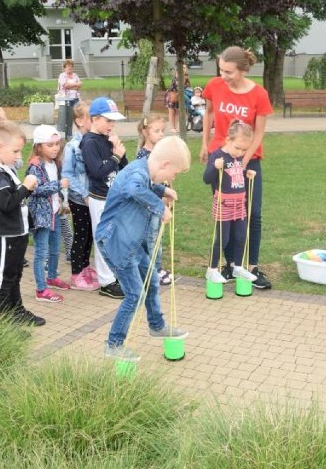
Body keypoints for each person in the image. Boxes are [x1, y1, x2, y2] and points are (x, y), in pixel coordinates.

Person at [98, 136, 190, 362]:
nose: (173, 178)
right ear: (165, 164)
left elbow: (145, 185)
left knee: (152, 281)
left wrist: (161, 190)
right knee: (135, 295)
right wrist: (160, 207)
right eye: (175, 173)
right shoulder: (137, 174)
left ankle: (157, 325)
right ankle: (114, 344)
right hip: (117, 243)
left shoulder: (145, 171)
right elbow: (133, 188)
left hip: (132, 243)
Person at [200, 46, 272, 289]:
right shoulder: (215, 86)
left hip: (248, 159)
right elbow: (208, 113)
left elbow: (259, 132)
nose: (223, 76)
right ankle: (230, 265)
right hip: (221, 158)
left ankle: (252, 266)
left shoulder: (259, 94)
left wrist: (245, 159)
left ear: (243, 70)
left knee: (253, 212)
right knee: (226, 213)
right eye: (221, 69)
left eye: (229, 71)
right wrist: (205, 145)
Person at [0, 121, 45, 326]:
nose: (18, 156)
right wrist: (25, 187)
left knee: (15, 274)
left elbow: (14, 198)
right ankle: (6, 320)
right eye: (15, 151)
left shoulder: (5, 169)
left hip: (17, 232)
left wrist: (26, 189)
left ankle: (17, 311)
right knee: (6, 277)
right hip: (6, 234)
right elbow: (7, 203)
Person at [81, 97, 128, 299]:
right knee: (103, 239)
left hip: (114, 196)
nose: (112, 125)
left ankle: (115, 274)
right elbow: (98, 171)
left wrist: (120, 152)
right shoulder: (89, 143)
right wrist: (116, 156)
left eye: (113, 121)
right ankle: (106, 281)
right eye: (108, 121)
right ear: (95, 118)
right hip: (100, 198)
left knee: (115, 238)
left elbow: (124, 167)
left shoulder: (107, 140)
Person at [203, 120, 259, 284]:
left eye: (244, 150)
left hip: (239, 204)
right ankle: (212, 270)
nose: (240, 152)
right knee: (223, 239)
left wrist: (247, 173)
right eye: (237, 148)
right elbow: (206, 179)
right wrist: (214, 166)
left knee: (242, 236)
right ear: (228, 140)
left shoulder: (237, 157)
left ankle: (238, 267)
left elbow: (235, 175)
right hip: (224, 205)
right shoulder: (218, 156)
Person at [27, 125, 70, 302]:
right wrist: (59, 186)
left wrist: (61, 200)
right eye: (49, 145)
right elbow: (36, 189)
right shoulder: (35, 166)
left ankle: (51, 276)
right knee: (41, 252)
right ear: (38, 146)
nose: (55, 148)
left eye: (57, 144)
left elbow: (56, 188)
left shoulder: (55, 164)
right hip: (41, 217)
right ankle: (41, 289)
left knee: (55, 249)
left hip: (55, 213)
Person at [62, 100, 100, 291]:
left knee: (91, 236)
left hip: (93, 197)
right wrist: (84, 194)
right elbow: (68, 174)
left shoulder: (95, 142)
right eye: (90, 118)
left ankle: (85, 267)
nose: (94, 121)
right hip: (79, 199)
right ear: (79, 121)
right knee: (81, 236)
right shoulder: (73, 146)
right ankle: (76, 273)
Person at [136, 114, 175, 285]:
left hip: (161, 202)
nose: (160, 134)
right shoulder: (144, 156)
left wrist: (169, 192)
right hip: (150, 205)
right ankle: (153, 270)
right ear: (145, 132)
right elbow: (146, 184)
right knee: (151, 238)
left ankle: (155, 267)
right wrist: (160, 198)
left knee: (157, 235)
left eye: (162, 131)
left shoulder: (159, 153)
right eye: (156, 130)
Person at [56, 59, 82, 140]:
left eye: (71, 67)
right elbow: (65, 86)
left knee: (77, 117)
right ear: (64, 68)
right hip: (66, 99)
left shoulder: (75, 75)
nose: (69, 68)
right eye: (68, 67)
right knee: (67, 118)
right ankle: (68, 134)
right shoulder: (62, 75)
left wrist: (72, 85)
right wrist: (75, 85)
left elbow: (80, 85)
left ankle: (79, 133)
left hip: (75, 98)